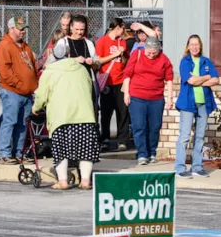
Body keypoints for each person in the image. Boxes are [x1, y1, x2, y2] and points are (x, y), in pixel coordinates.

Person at [32, 42, 100, 190]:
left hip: (61, 117)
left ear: (54, 56)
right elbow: (89, 88)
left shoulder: (50, 71)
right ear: (69, 54)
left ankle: (63, 181)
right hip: (85, 115)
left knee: (61, 150)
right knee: (85, 150)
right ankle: (86, 181)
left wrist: (36, 108)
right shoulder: (82, 69)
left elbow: (41, 95)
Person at [122, 37, 173, 166]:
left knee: (154, 127)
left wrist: (170, 98)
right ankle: (142, 154)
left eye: (154, 53)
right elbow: (127, 74)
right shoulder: (137, 54)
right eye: (148, 52)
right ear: (144, 49)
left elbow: (169, 79)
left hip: (156, 98)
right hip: (137, 96)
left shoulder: (163, 59)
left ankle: (152, 152)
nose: (151, 55)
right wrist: (127, 93)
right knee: (139, 126)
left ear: (158, 50)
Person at [174, 35, 219, 179]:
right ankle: (180, 168)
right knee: (185, 136)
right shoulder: (185, 62)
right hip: (188, 103)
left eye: (197, 44)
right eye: (192, 44)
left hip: (203, 104)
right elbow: (191, 80)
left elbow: (216, 79)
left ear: (200, 46)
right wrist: (206, 77)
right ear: (188, 46)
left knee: (199, 136)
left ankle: (197, 167)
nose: (194, 47)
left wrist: (202, 79)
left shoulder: (206, 61)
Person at [0, 17, 37, 165]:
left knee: (23, 124)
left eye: (24, 29)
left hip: (26, 93)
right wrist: (20, 85)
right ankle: (4, 154)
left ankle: (20, 153)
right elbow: (5, 72)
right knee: (10, 121)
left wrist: (33, 86)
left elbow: (33, 66)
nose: (23, 32)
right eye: (20, 29)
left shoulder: (25, 47)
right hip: (12, 92)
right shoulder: (4, 46)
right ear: (11, 28)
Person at [95, 19, 129, 151]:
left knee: (123, 111)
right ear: (117, 28)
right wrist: (114, 54)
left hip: (121, 81)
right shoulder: (103, 41)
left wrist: (122, 54)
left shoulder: (123, 42)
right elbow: (98, 60)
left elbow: (126, 60)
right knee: (106, 112)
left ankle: (122, 140)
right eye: (122, 28)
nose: (124, 31)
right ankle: (105, 138)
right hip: (107, 81)